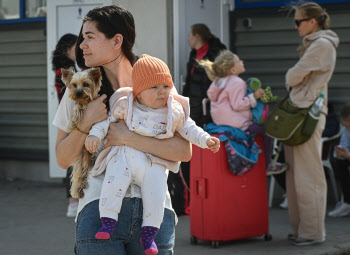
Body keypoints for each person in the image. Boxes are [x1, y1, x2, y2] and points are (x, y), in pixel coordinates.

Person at [53, 5, 192, 255]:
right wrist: (86, 124)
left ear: (117, 41)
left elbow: (184, 150)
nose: (81, 45)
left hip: (154, 214)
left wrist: (127, 137)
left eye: (89, 37)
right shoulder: (80, 89)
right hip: (98, 211)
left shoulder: (156, 82)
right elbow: (63, 158)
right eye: (82, 37)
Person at [85, 54, 220, 254]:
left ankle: (149, 235)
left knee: (156, 194)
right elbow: (106, 122)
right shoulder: (126, 104)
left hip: (152, 163)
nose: (162, 92)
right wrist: (95, 135)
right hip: (125, 156)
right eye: (154, 87)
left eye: (166, 86)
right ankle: (108, 221)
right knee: (113, 183)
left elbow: (189, 128)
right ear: (138, 92)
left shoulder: (173, 111)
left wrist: (206, 140)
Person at [284, 2, 339, 246]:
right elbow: (296, 76)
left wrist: (294, 75)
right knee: (296, 173)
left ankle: (313, 232)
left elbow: (292, 76)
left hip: (308, 114)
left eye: (298, 21)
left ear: (312, 21)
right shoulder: (314, 45)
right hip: (300, 113)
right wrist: (296, 75)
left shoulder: (322, 45)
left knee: (309, 174)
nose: (295, 26)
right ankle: (301, 229)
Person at [200, 50, 287, 175]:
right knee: (264, 132)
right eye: (239, 61)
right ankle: (269, 165)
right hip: (237, 123)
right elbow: (238, 105)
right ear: (233, 70)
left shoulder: (218, 82)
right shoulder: (237, 82)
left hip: (220, 123)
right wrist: (254, 97)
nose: (242, 62)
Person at [180, 24, 226, 213]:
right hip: (194, 107)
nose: (188, 39)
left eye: (190, 35)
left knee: (207, 151)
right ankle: (193, 197)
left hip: (208, 110)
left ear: (197, 35)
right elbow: (190, 83)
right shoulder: (194, 54)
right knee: (193, 153)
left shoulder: (217, 51)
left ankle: (212, 197)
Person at [51, 33, 79, 217]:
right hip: (71, 120)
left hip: (72, 118)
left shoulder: (68, 69)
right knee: (72, 160)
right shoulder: (65, 72)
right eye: (76, 46)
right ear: (67, 49)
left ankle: (74, 200)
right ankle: (72, 202)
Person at [328, 103, 350, 217]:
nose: (347, 129)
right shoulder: (347, 130)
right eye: (345, 126)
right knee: (338, 162)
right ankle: (347, 202)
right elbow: (344, 144)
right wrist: (340, 153)